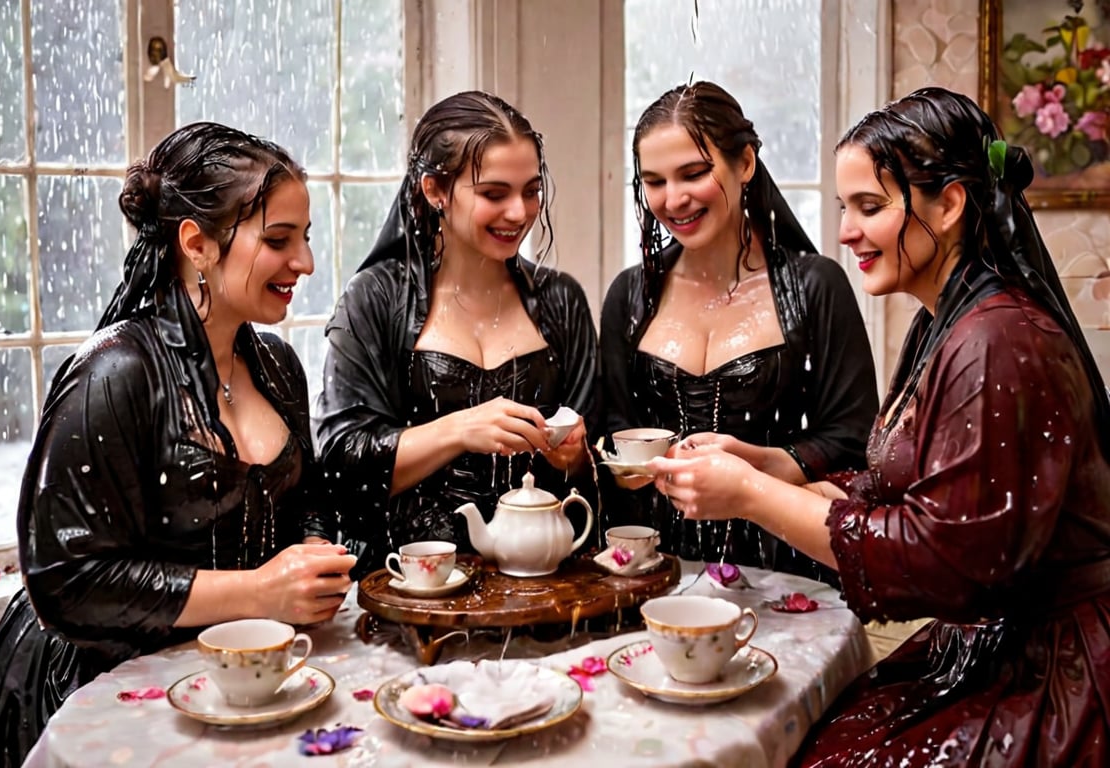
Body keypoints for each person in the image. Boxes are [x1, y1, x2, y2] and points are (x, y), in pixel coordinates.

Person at [651, 87, 1110, 766]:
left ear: (949, 204)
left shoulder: (999, 340)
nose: (844, 232)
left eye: (870, 207)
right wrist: (775, 466)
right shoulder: (946, 321)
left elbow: (944, 563)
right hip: (995, 644)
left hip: (1055, 671)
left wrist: (749, 496)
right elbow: (917, 488)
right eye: (844, 208)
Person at [0, 122, 356, 766]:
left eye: (304, 239)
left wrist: (311, 549)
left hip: (237, 679)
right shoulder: (112, 375)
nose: (305, 263)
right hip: (87, 697)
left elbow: (306, 498)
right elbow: (68, 579)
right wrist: (259, 591)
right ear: (196, 244)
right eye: (279, 240)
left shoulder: (279, 367)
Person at [600, 81, 878, 582]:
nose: (674, 199)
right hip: (660, 571)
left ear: (745, 163)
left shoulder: (816, 286)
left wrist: (764, 465)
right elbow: (616, 440)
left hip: (793, 567)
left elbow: (852, 440)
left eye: (694, 173)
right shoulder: (629, 297)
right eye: (654, 181)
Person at [316, 91, 599, 578]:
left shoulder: (561, 301)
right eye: (494, 194)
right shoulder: (375, 299)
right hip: (408, 592)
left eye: (531, 191)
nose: (519, 213)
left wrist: (576, 459)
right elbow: (342, 470)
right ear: (434, 190)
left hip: (542, 589)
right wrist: (460, 429)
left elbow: (601, 480)